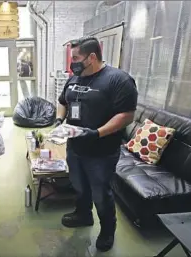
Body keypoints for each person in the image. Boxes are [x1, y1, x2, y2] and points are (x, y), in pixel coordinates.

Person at [55, 36, 138, 252]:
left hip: (101, 152)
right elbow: (63, 101)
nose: (71, 62)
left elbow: (126, 115)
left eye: (75, 57)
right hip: (75, 147)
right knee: (79, 186)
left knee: (101, 194)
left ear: (92, 57)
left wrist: (96, 133)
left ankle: (107, 230)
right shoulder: (75, 77)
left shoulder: (118, 80)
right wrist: (58, 121)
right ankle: (83, 215)